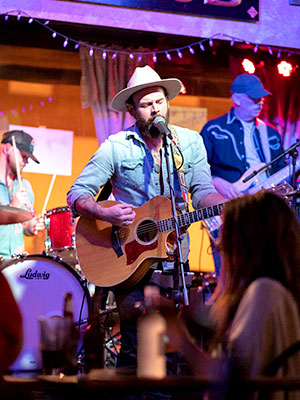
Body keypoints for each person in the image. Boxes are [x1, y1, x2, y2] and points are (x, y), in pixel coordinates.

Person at [67, 65, 225, 399]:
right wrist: (101, 210)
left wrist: (225, 203)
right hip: (126, 259)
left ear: (168, 102)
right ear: (131, 110)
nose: (154, 109)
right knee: (138, 346)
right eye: (145, 104)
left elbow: (202, 191)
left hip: (174, 257)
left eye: (159, 101)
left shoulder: (189, 143)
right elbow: (77, 194)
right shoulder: (116, 146)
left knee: (176, 348)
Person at [154, 191, 300, 400]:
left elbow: (227, 380)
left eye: (227, 235)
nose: (219, 244)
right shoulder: (271, 292)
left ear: (248, 242)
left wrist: (178, 334)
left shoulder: (265, 291)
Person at [200, 73, 286, 276]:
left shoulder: (271, 133)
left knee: (264, 272)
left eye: (261, 98)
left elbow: (283, 170)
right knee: (230, 273)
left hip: (263, 210)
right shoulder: (213, 129)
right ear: (236, 99)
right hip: (227, 210)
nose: (260, 102)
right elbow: (197, 172)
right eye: (253, 98)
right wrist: (219, 182)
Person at [0, 130, 44, 258]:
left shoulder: (25, 186)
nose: (26, 162)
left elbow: (21, 227)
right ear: (7, 149)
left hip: (14, 262)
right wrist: (13, 207)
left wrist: (30, 226)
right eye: (23, 156)